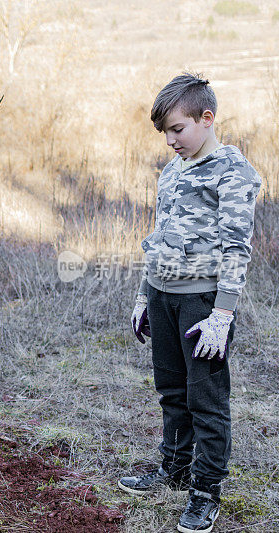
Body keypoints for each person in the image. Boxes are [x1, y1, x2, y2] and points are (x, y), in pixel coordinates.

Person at [122, 73, 261, 533]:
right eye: (164, 132)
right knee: (172, 393)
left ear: (207, 118)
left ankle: (205, 491)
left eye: (177, 130)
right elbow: (159, 238)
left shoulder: (233, 172)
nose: (169, 141)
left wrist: (222, 314)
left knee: (206, 399)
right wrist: (145, 295)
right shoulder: (170, 172)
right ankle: (175, 469)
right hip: (163, 297)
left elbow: (237, 248)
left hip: (203, 303)